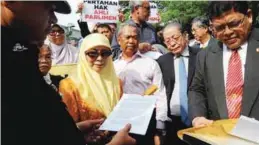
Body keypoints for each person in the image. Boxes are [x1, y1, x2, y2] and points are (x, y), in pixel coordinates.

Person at [1, 1, 136, 145]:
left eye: (106, 53)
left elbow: (34, 128)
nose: (54, 19)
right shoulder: (9, 59)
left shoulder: (21, 53)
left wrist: (73, 131)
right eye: (49, 8)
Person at [188, 1, 259, 128]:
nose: (227, 32)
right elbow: (197, 89)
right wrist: (198, 116)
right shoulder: (205, 56)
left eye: (234, 24)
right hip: (220, 135)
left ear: (249, 16)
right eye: (219, 28)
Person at [114, 23, 168, 145]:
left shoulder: (151, 64)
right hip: (119, 121)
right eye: (127, 37)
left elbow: (160, 93)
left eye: (135, 37)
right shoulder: (112, 67)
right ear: (119, 40)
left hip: (147, 120)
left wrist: (160, 125)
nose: (131, 41)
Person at [157, 21, 200, 145]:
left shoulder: (201, 55)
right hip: (173, 122)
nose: (172, 43)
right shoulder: (162, 61)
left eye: (175, 38)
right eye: (167, 41)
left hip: (199, 119)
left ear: (185, 35)